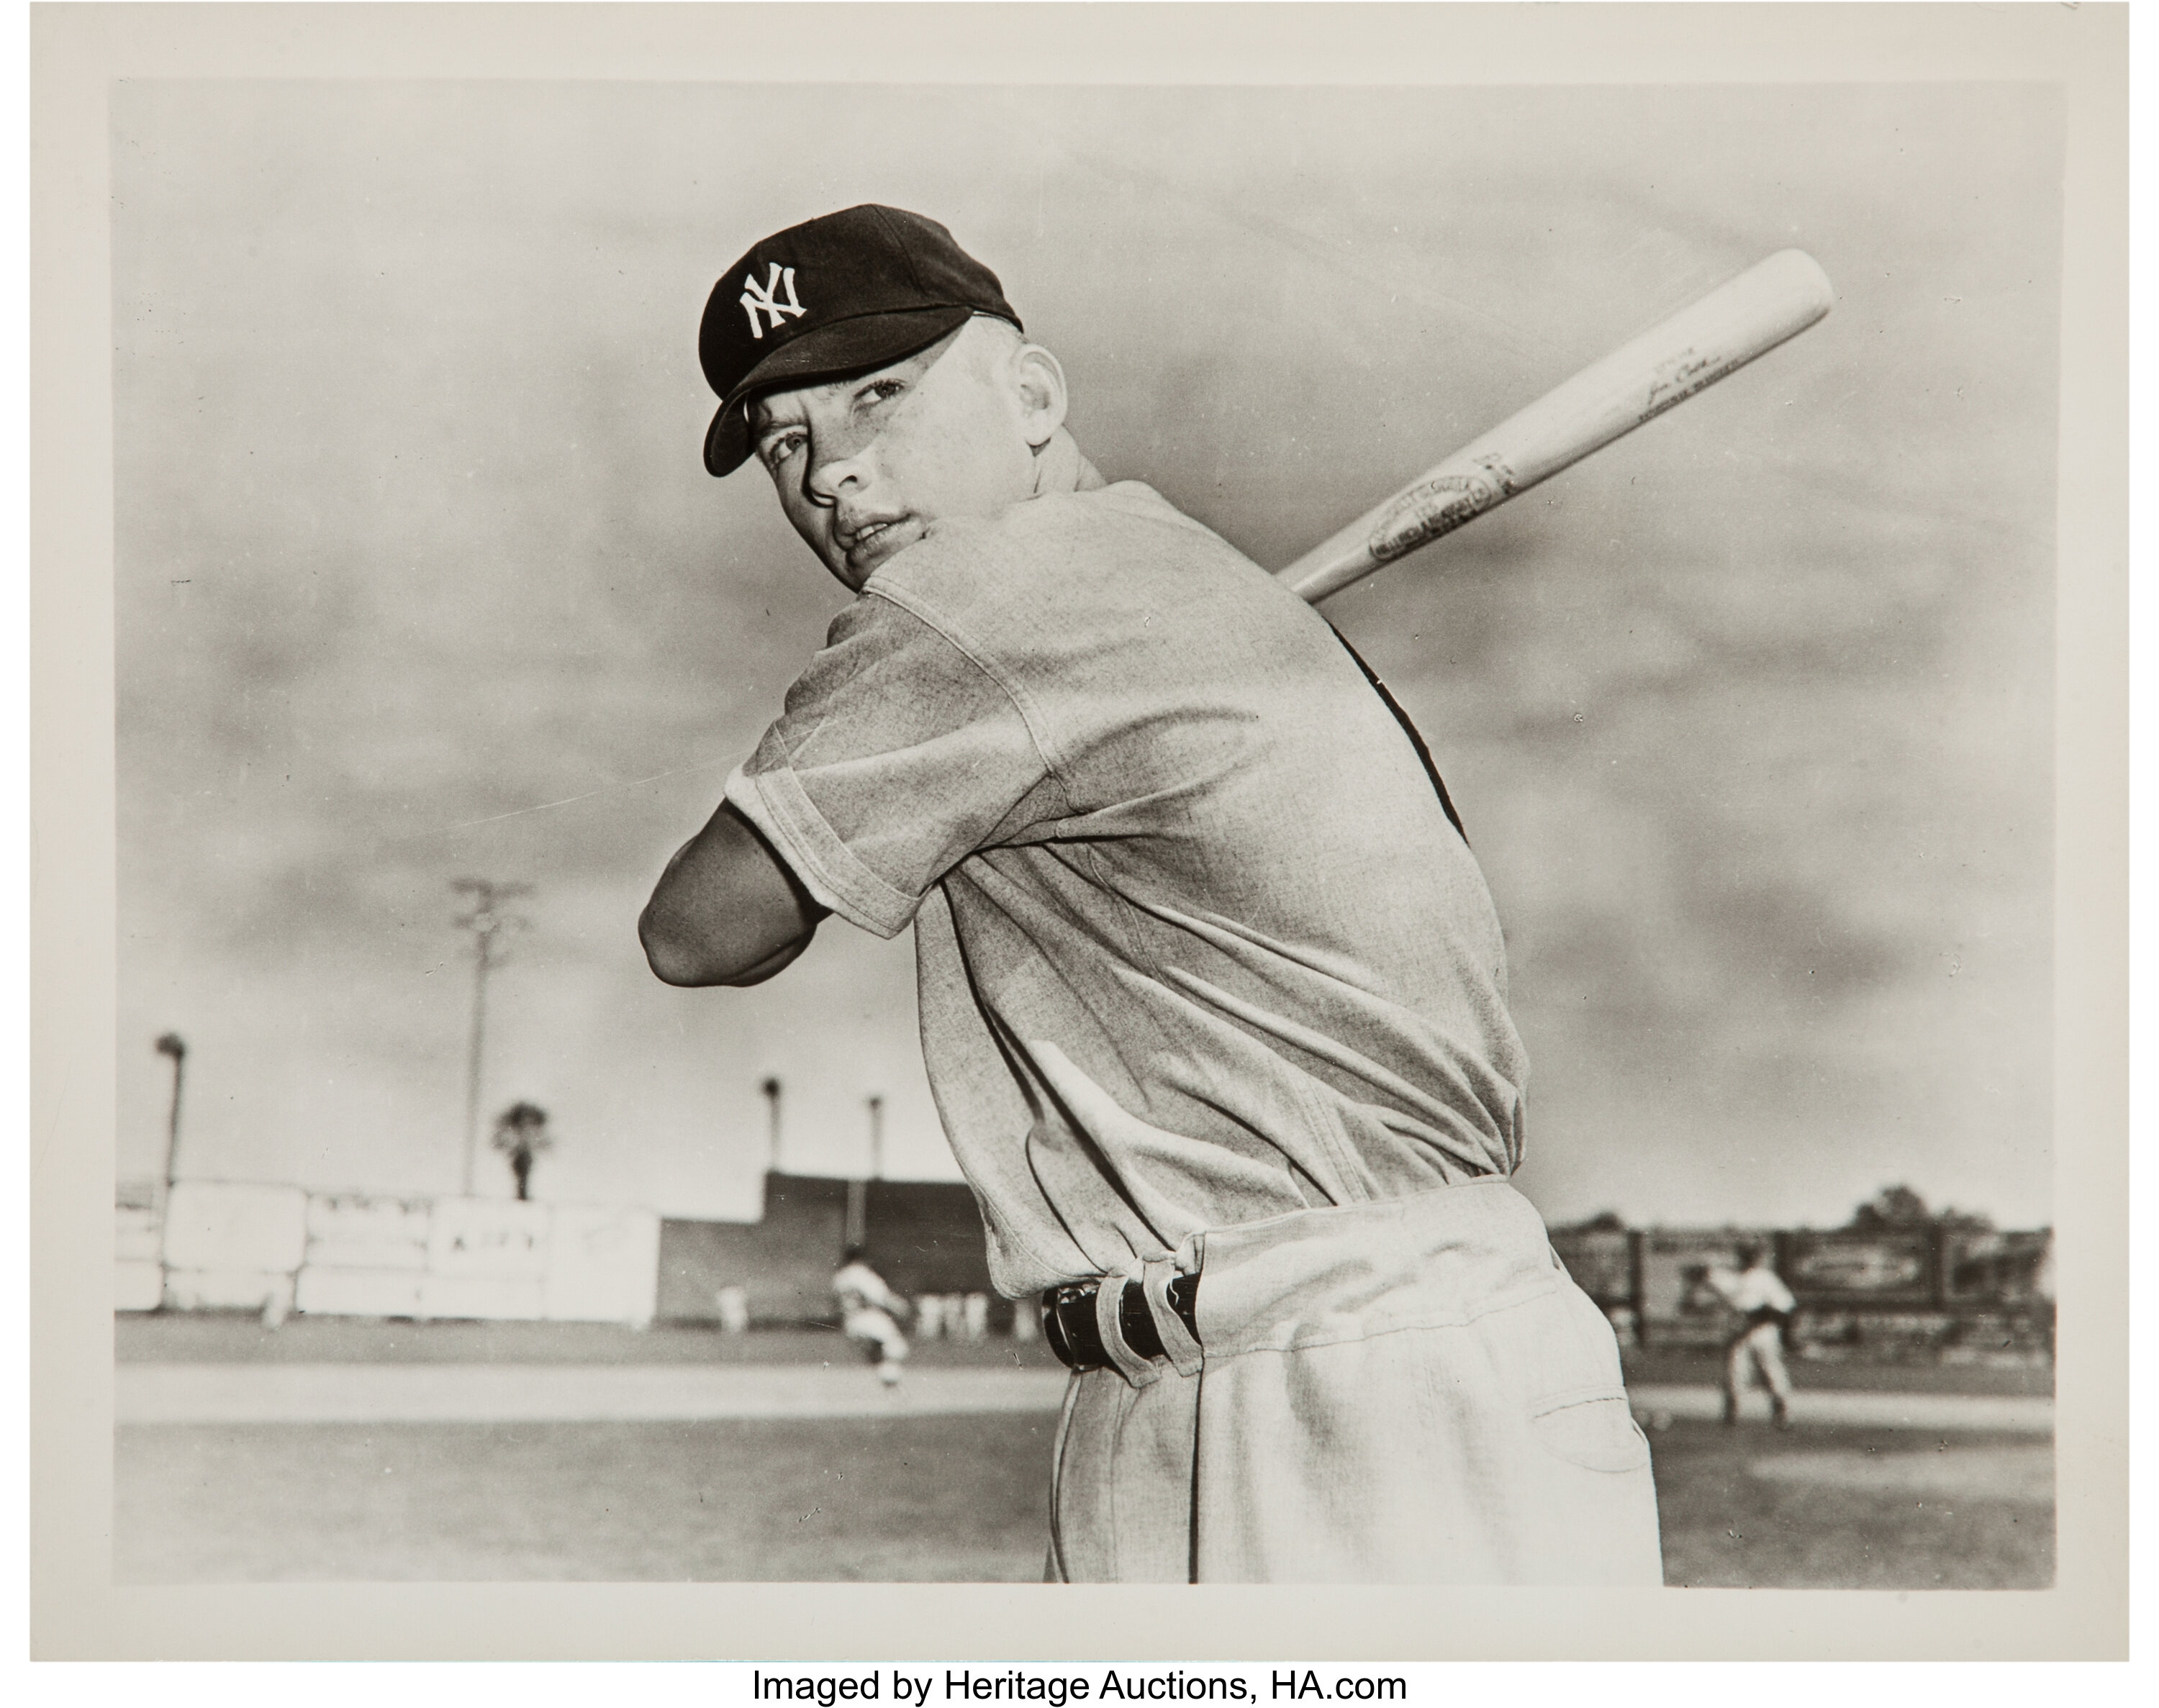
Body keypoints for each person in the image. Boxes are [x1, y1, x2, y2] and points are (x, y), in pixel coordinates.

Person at [641, 204, 1663, 1584]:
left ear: (1034, 394)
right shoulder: (1178, 580)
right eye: (783, 441)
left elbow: (699, 931)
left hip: (1334, 1373)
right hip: (1322, 1353)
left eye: (880, 391)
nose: (831, 470)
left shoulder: (985, 600)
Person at [1691, 1242, 1798, 1427]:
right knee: (1734, 1373)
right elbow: (1700, 1273)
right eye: (1745, 1253)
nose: (1748, 1258)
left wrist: (1754, 1317)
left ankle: (1782, 1413)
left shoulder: (1765, 1278)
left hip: (1762, 1331)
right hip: (1738, 1333)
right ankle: (1732, 1415)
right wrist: (1706, 1266)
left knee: (1771, 1372)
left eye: (1752, 1254)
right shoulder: (1730, 1277)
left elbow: (1785, 1308)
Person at [832, 1245, 910, 1386]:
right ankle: (890, 1380)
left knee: (876, 1351)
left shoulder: (840, 1277)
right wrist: (899, 1306)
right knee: (898, 1348)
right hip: (869, 1318)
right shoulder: (862, 1273)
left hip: (851, 1322)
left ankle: (888, 1380)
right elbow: (881, 1296)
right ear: (859, 1259)